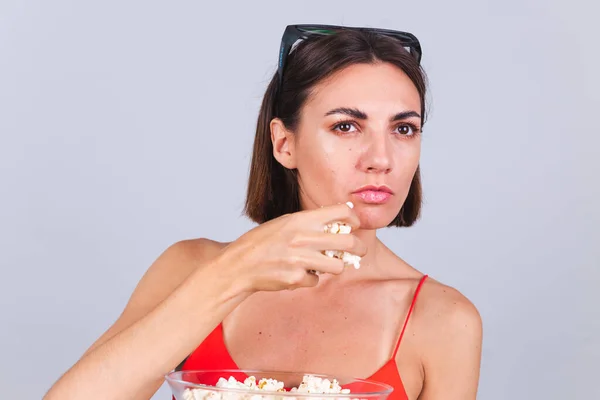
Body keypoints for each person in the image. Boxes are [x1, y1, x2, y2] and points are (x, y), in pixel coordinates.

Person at [44, 24, 483, 400]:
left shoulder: (444, 320)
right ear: (284, 143)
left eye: (403, 129)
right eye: (346, 126)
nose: (380, 158)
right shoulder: (192, 268)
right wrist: (233, 274)